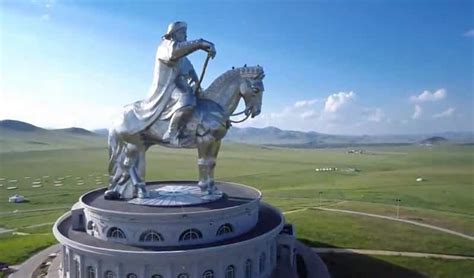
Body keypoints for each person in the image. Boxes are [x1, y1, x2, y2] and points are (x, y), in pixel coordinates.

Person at [131, 21, 216, 145]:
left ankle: (192, 129)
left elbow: (192, 75)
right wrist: (200, 43)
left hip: (180, 87)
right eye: (183, 33)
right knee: (186, 100)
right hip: (167, 88)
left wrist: (197, 85)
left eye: (186, 33)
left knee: (200, 100)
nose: (186, 36)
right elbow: (174, 52)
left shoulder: (185, 59)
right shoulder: (165, 47)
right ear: (173, 34)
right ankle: (171, 133)